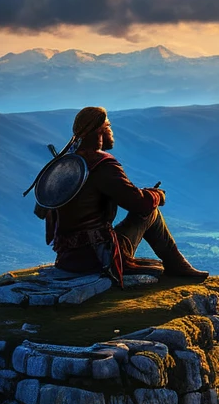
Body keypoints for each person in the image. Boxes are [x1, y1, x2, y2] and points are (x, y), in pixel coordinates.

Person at [36, 106, 208, 284]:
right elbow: (139, 204)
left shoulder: (63, 164)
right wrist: (156, 196)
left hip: (67, 259)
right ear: (99, 131)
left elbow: (40, 210)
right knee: (150, 212)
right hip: (97, 257)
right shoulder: (102, 165)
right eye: (108, 126)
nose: (111, 131)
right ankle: (177, 266)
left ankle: (176, 265)